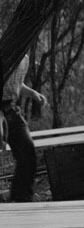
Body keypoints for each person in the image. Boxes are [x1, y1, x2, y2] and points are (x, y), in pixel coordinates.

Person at [0, 55, 46, 202]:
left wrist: (33, 93)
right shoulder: (6, 51)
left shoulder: (23, 57)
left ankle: (21, 199)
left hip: (12, 110)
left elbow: (16, 84)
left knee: (28, 153)